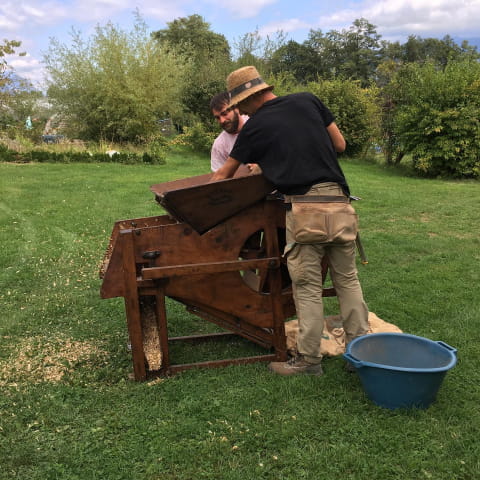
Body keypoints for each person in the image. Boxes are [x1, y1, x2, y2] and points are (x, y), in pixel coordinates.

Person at [211, 66, 369, 376]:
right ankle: (361, 354)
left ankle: (308, 361)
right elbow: (339, 145)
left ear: (245, 100)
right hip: (339, 201)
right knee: (347, 280)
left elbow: (224, 174)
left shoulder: (254, 127)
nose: (239, 110)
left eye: (238, 104)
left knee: (307, 287)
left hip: (305, 209)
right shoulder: (308, 101)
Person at [209, 92, 249, 172]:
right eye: (217, 118)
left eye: (225, 114)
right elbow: (220, 178)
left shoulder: (255, 123)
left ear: (236, 108)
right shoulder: (219, 145)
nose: (222, 121)